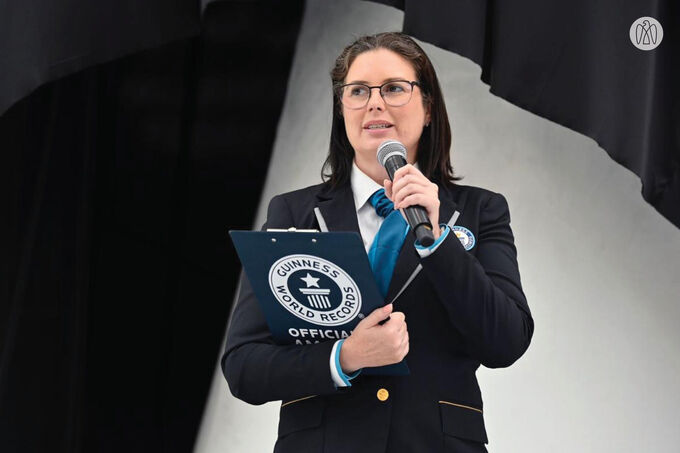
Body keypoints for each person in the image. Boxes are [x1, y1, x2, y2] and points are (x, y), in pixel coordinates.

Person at [222, 32, 534, 453]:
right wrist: (344, 358)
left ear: (428, 109)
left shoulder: (481, 211)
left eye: (393, 88)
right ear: (342, 110)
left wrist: (438, 241)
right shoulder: (292, 213)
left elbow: (506, 341)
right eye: (357, 91)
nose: (374, 103)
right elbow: (243, 366)